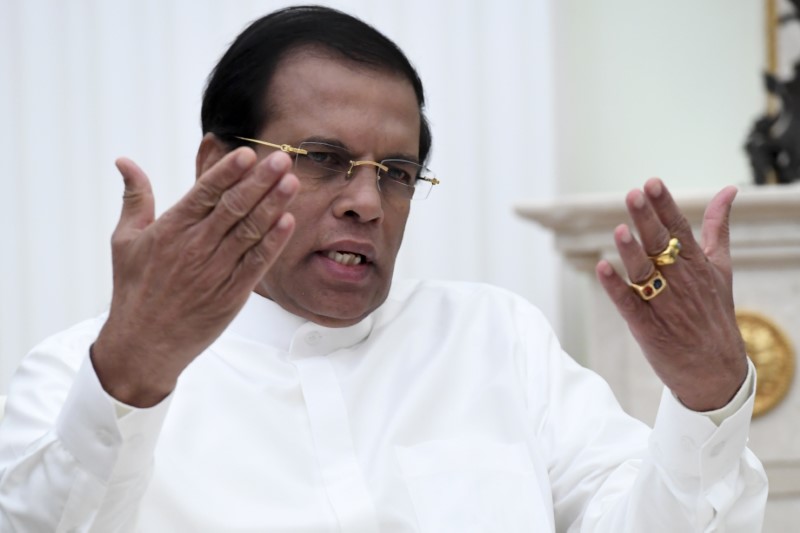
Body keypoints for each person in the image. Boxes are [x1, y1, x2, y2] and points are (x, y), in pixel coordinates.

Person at [0, 5, 767, 532]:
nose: (368, 200)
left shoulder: (495, 339)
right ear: (221, 163)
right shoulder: (82, 372)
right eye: (325, 160)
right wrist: (133, 374)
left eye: (397, 171)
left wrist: (707, 397)